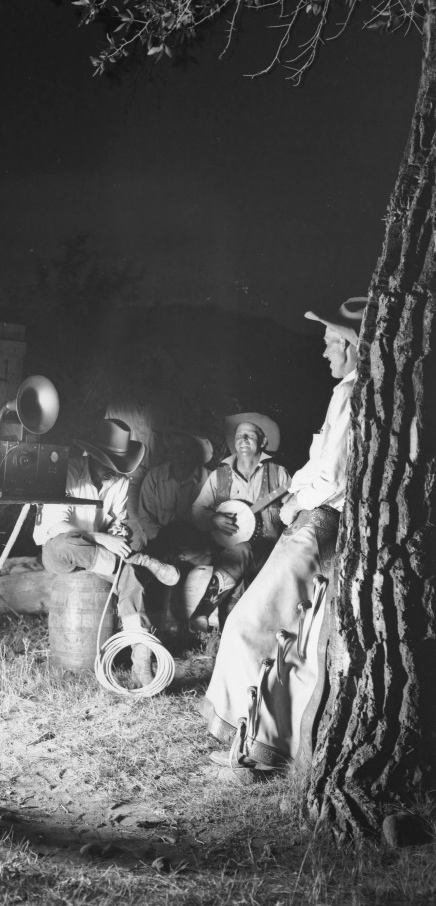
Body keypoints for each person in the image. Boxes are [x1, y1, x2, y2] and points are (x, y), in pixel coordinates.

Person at [200, 297, 365, 780]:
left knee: (256, 624)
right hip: (318, 520)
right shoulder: (351, 393)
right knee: (293, 637)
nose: (325, 354)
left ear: (353, 348)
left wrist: (295, 501)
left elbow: (332, 475)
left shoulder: (351, 395)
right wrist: (294, 492)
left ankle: (250, 746)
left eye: (332, 343)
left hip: (318, 521)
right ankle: (263, 744)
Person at [33, 418, 180, 686]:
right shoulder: (67, 473)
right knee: (68, 544)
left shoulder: (119, 482)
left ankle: (141, 658)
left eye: (118, 467)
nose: (112, 472)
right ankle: (141, 562)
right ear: (91, 454)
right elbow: (57, 527)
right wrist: (103, 538)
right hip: (62, 552)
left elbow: (117, 521)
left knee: (131, 578)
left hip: (99, 556)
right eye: (107, 464)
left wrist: (117, 534)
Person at [188, 414, 291, 632]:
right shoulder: (220, 476)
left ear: (262, 442)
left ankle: (203, 611)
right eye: (239, 436)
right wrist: (212, 518)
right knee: (233, 599)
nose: (243, 440)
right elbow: (197, 510)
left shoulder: (278, 474)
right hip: (227, 557)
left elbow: (294, 509)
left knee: (243, 554)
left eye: (250, 436)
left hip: (269, 555)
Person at [136, 428, 212, 560]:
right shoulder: (154, 476)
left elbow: (215, 526)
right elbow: (146, 518)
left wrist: (198, 550)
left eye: (184, 449)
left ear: (195, 452)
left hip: (197, 550)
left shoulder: (210, 480)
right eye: (173, 448)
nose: (177, 454)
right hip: (162, 545)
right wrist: (167, 544)